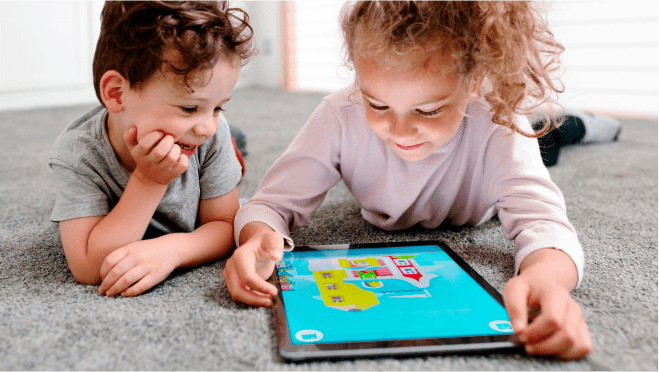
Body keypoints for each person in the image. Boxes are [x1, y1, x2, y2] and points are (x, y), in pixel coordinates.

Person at [223, 0, 592, 360]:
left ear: (474, 81)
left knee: (555, 133)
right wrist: (258, 240)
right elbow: (268, 204)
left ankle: (588, 124)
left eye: (429, 110)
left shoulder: (499, 122)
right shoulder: (338, 115)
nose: (400, 131)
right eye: (377, 104)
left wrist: (546, 277)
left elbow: (544, 223)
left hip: (516, 145)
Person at [48, 0, 255, 298]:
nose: (207, 126)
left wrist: (174, 250)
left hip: (214, 146)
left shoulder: (212, 133)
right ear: (117, 94)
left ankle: (235, 147)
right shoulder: (77, 154)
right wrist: (149, 181)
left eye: (218, 107)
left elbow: (225, 224)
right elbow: (88, 267)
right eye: (189, 107)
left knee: (230, 141)